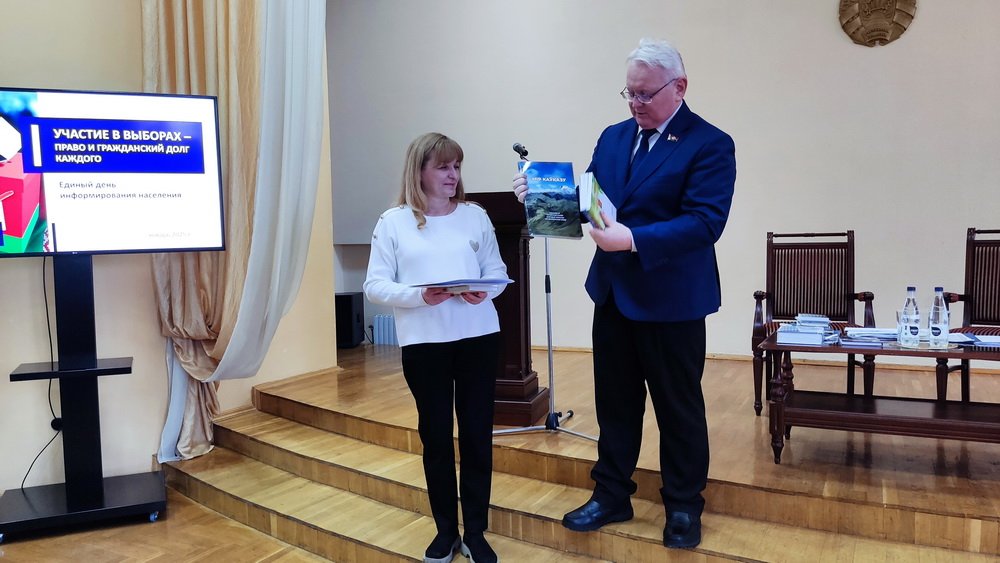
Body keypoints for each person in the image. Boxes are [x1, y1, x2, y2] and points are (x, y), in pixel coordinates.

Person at [513, 38, 736, 549]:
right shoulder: (614, 137)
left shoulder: (709, 143)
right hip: (614, 294)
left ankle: (683, 505)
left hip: (672, 301)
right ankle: (611, 493)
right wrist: (541, 196)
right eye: (629, 93)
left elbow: (705, 222)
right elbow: (593, 204)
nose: (635, 103)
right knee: (614, 404)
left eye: (645, 94)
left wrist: (633, 238)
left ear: (679, 87)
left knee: (678, 409)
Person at [365, 132, 507, 563]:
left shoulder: (475, 216)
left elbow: (497, 271)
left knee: (477, 437)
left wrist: (486, 291)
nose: (453, 175)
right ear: (419, 170)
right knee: (437, 438)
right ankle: (446, 530)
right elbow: (375, 285)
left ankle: (476, 532)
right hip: (425, 344)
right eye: (443, 167)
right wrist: (419, 296)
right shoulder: (393, 222)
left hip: (478, 338)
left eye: (457, 166)